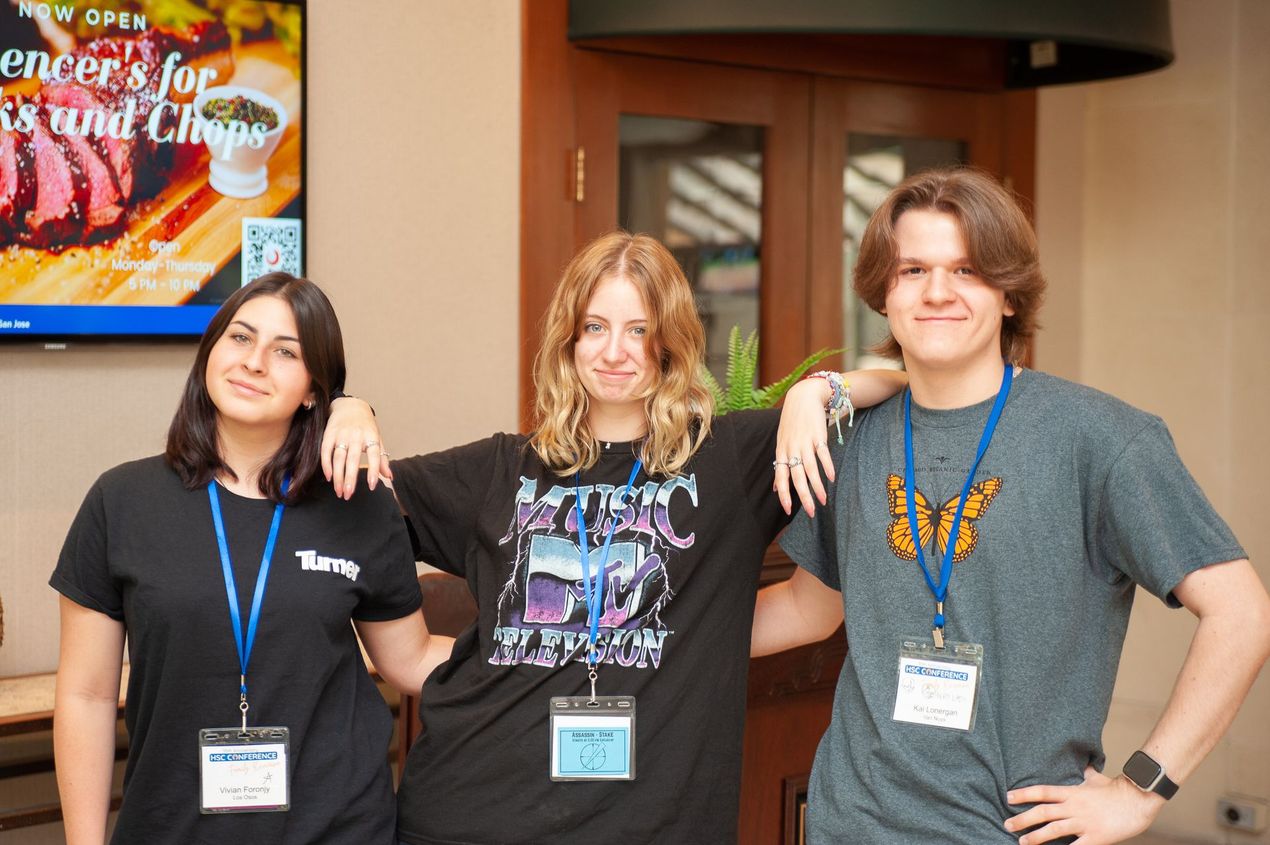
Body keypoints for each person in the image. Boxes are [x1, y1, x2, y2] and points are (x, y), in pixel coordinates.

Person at [321, 231, 907, 843]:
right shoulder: (499, 470)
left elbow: (906, 392)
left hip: (654, 821)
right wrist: (349, 409)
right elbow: (351, 511)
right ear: (569, 341)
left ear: (669, 341)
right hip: (475, 809)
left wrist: (820, 391)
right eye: (595, 327)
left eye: (638, 329)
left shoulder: (728, 460)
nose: (614, 352)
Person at [756, 166, 1270, 844]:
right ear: (884, 291)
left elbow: (1241, 612)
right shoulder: (852, 439)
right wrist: (635, 629)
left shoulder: (1100, 439)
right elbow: (807, 606)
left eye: (966, 270)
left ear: (1008, 293)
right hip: (849, 821)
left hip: (1011, 831)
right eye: (913, 270)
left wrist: (1141, 789)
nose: (937, 291)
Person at [51, 272, 452, 845]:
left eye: (285, 351)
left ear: (315, 389)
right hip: (172, 826)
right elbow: (86, 697)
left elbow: (409, 659)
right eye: (240, 338)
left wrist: (541, 654)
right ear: (210, 351)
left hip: (338, 825)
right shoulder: (122, 501)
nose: (254, 362)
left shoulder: (355, 502)